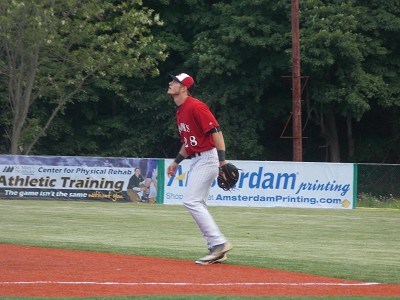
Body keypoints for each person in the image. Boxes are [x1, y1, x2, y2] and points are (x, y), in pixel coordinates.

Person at [166, 72, 232, 265]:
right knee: (198, 203)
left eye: (175, 82)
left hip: (207, 158)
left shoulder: (196, 106)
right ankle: (215, 248)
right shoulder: (180, 110)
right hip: (196, 159)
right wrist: (176, 161)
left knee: (191, 201)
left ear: (184, 88)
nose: (170, 83)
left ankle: (220, 243)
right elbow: (189, 142)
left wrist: (222, 162)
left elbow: (216, 132)